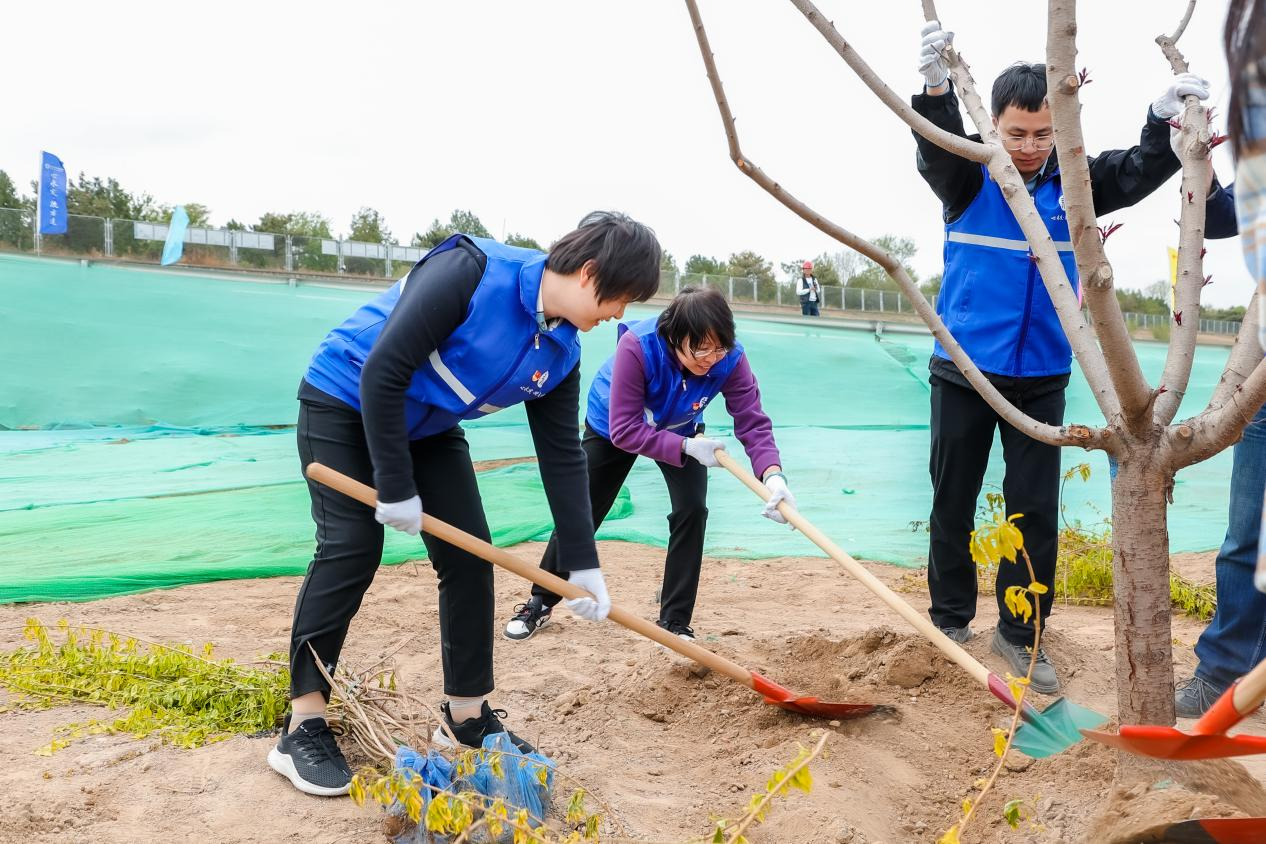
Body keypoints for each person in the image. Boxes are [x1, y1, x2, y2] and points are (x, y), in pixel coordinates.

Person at [268, 212, 661, 796]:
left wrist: (582, 562)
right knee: (351, 548)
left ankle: (467, 717)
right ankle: (302, 724)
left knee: (471, 557)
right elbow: (385, 370)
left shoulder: (561, 349)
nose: (618, 316)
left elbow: (562, 457)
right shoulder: (471, 270)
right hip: (346, 399)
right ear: (589, 273)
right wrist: (397, 486)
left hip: (427, 427)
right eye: (621, 298)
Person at [914, 20, 1214, 693]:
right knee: (952, 498)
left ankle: (1022, 632)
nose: (1027, 148)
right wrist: (935, 91)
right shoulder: (970, 179)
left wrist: (1164, 117)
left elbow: (1136, 172)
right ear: (991, 125)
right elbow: (932, 152)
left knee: (1033, 510)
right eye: (1015, 133)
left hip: (1042, 376)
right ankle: (951, 618)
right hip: (963, 371)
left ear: (1059, 127)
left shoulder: (1075, 182)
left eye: (1042, 134)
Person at [502, 286, 795, 643]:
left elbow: (751, 420)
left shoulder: (729, 358)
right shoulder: (637, 347)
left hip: (681, 428)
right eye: (700, 348)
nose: (710, 358)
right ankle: (540, 600)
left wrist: (773, 475)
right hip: (614, 426)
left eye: (719, 347)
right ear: (674, 337)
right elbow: (625, 430)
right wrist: (685, 447)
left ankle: (674, 621)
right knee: (585, 509)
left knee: (692, 509)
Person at [1174, 0, 1266, 717]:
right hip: (1263, 376)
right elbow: (1234, 214)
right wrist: (1196, 163)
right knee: (1243, 536)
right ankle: (1225, 665)